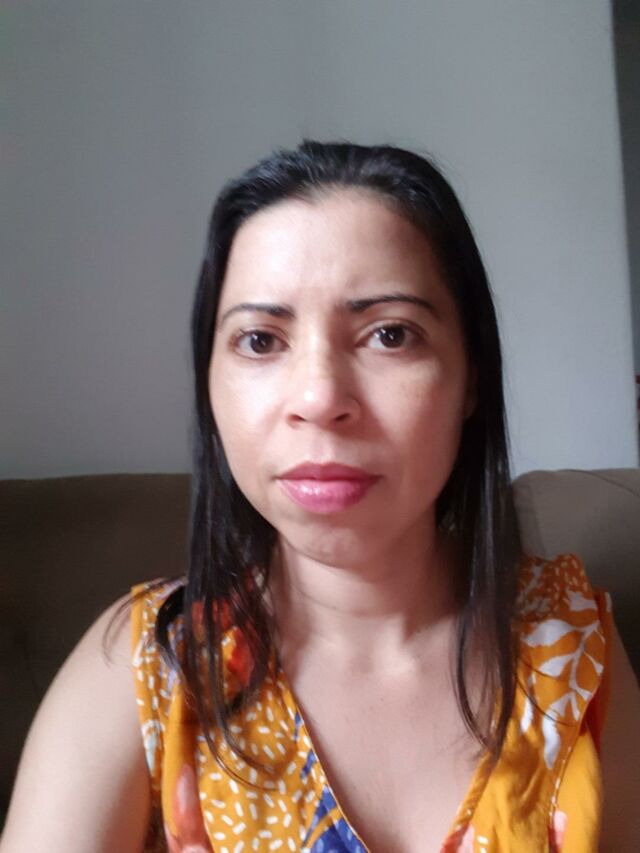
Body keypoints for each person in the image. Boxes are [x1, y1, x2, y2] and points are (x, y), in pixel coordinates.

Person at [2, 140, 639, 853]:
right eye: (259, 340)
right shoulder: (145, 665)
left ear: (471, 379)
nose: (318, 397)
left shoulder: (571, 645)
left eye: (389, 334)